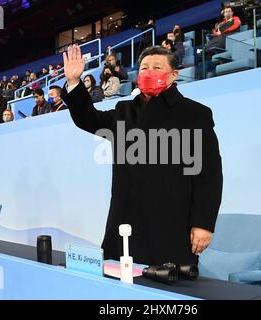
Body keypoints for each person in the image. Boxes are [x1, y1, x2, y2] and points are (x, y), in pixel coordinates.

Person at [61, 44, 223, 266]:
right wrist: (73, 83)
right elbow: (87, 119)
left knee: (167, 292)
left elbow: (209, 174)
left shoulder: (194, 114)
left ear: (173, 75)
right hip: (124, 220)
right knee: (116, 286)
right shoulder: (124, 111)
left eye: (157, 67)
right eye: (144, 67)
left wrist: (203, 223)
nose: (148, 72)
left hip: (171, 222)